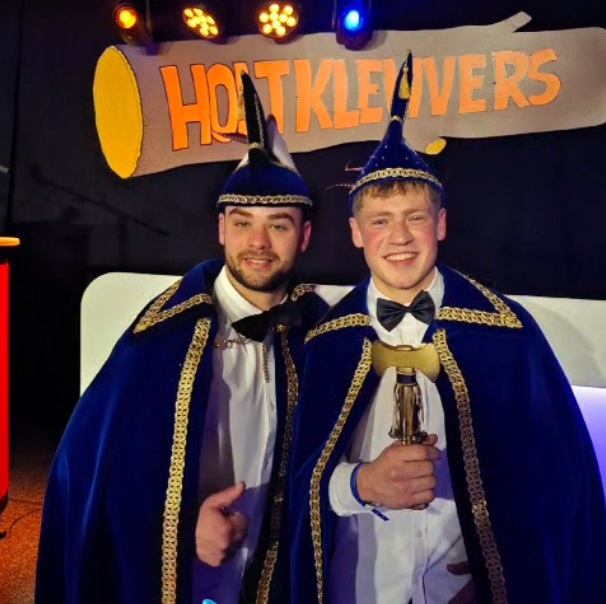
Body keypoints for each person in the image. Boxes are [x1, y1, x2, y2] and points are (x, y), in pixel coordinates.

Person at [286, 52, 606, 604]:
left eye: (415, 217)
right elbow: (292, 487)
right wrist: (359, 484)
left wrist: (492, 568)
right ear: (356, 233)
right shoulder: (324, 341)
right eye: (380, 221)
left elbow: (556, 486)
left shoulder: (506, 334)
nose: (399, 237)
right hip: (356, 592)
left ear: (440, 224)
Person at [35, 73, 328, 604]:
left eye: (279, 224)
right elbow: (95, 473)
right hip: (183, 581)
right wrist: (182, 526)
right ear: (221, 229)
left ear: (304, 235)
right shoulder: (162, 335)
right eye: (243, 222)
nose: (258, 242)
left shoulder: (320, 335)